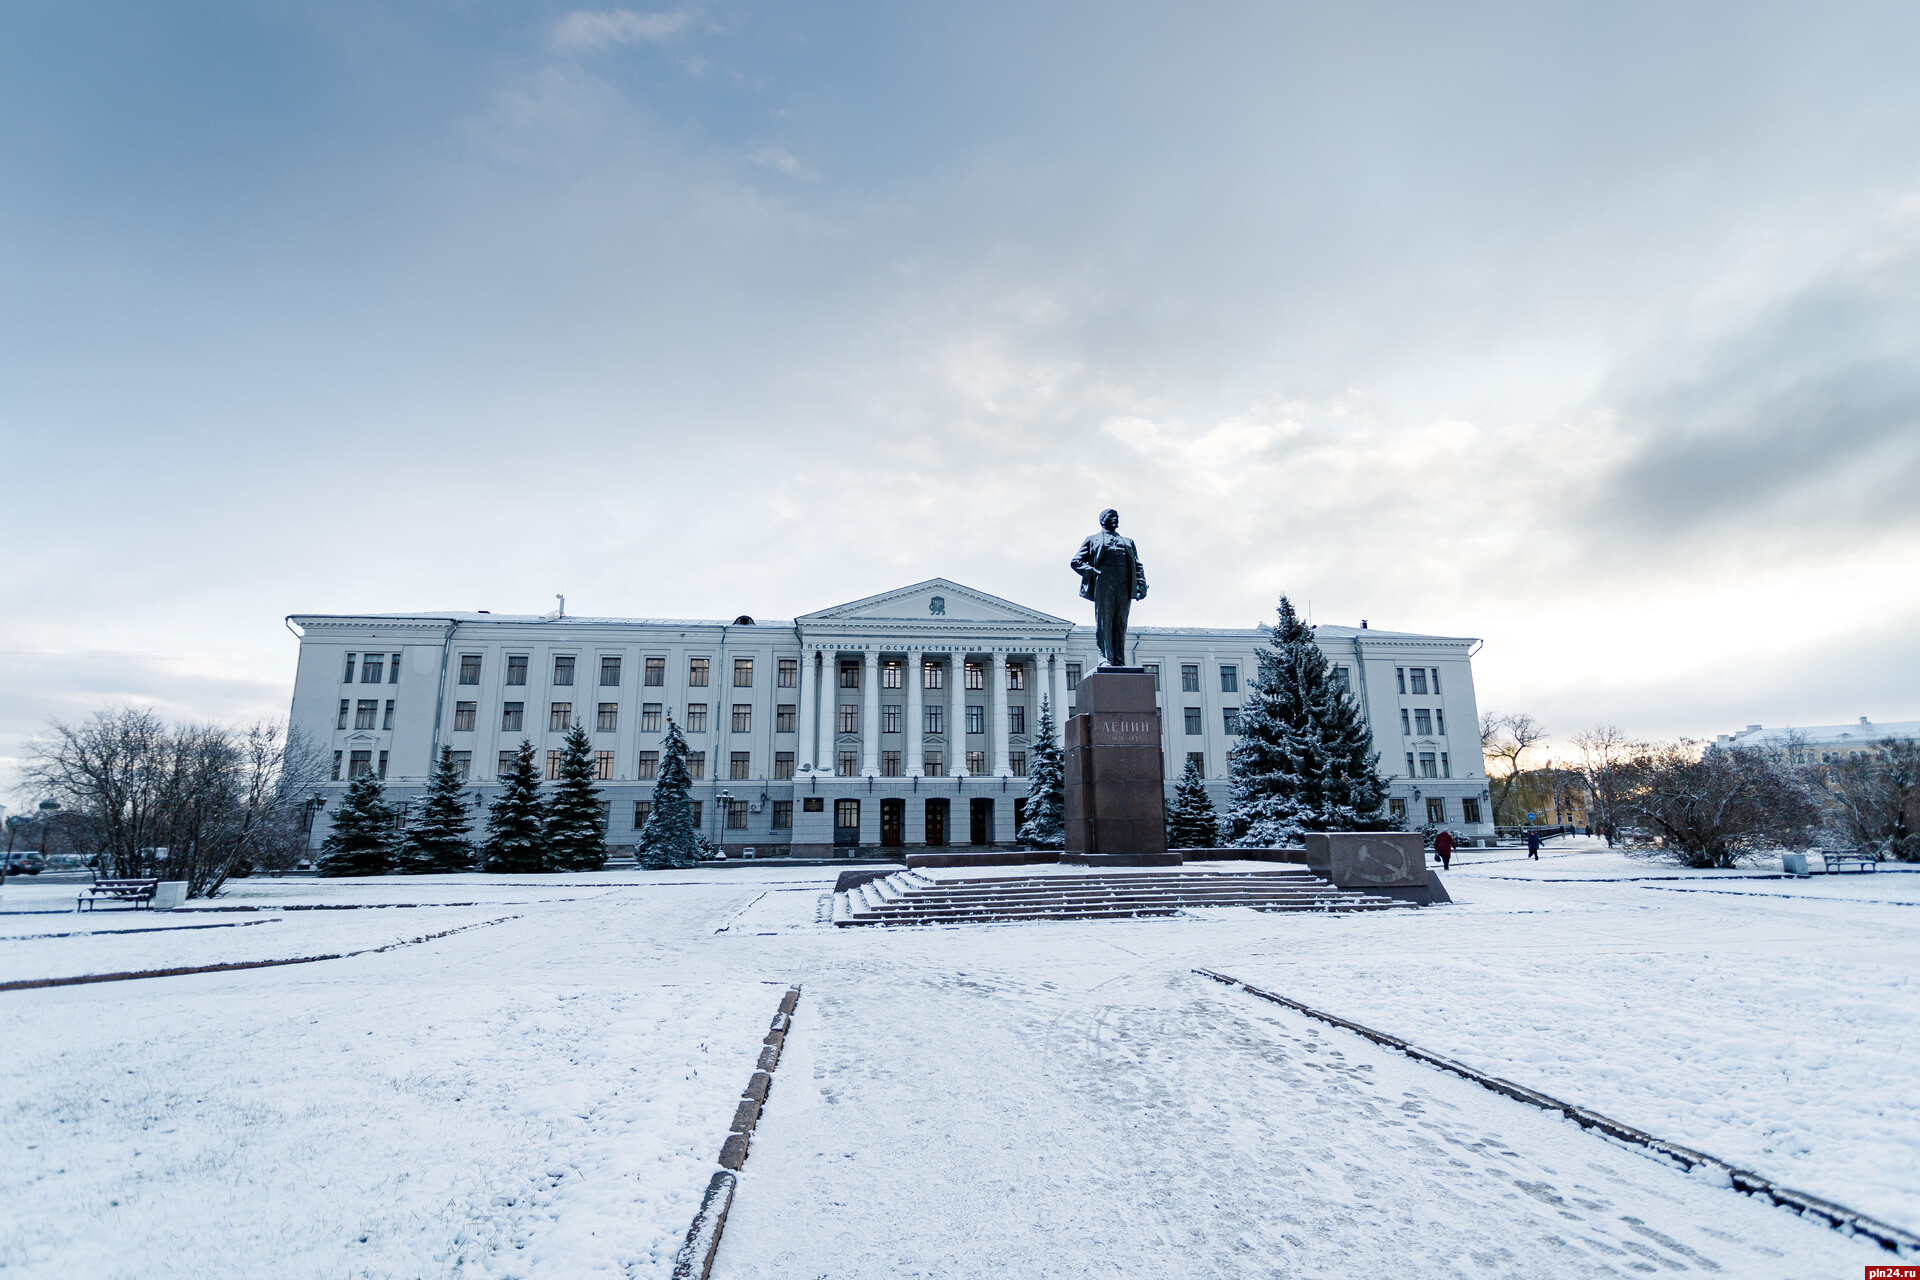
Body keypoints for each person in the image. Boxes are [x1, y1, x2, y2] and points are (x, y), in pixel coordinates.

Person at [1069, 508, 1149, 668]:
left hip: (1124, 585)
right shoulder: (1093, 540)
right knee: (1104, 622)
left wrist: (1141, 584)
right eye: (1112, 516)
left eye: (1117, 517)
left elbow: (1137, 565)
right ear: (1102, 520)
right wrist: (1092, 572)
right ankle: (1104, 658)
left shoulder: (1128, 542)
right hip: (1103, 583)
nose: (1116, 519)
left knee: (1120, 623)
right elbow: (1076, 561)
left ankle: (1119, 660)